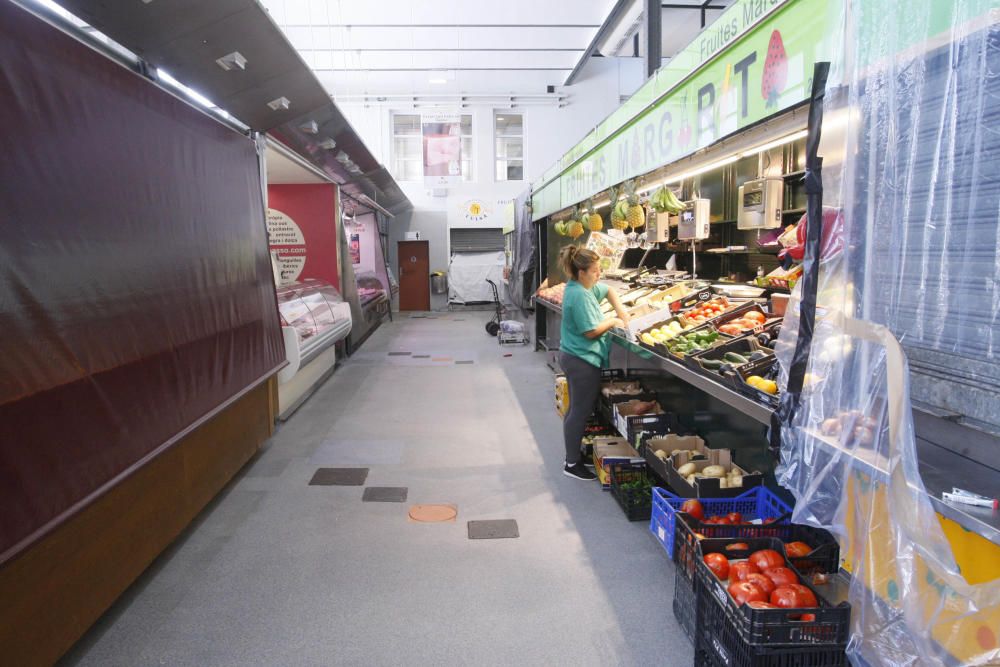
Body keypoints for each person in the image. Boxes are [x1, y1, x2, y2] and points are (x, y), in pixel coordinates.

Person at [557, 245, 630, 480]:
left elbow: (608, 290)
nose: (599, 274)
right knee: (580, 410)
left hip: (575, 355)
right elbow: (590, 332)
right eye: (595, 271)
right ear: (582, 273)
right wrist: (613, 321)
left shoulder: (582, 287)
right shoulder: (579, 295)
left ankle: (572, 455)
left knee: (576, 409)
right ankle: (571, 463)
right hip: (581, 359)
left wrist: (623, 314)